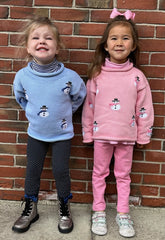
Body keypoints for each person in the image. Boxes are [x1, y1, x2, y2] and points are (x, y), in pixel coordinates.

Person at [82, 8, 154, 238]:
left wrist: (143, 135)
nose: (119, 43)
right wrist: (87, 134)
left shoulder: (137, 77)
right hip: (102, 135)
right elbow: (88, 107)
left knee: (124, 176)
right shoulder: (97, 75)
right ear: (105, 45)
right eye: (114, 38)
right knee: (99, 174)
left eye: (125, 38)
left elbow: (144, 108)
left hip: (127, 136)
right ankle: (99, 211)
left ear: (133, 46)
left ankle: (123, 213)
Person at [12, 16, 86, 234]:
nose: (41, 41)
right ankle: (30, 209)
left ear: (57, 47)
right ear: (28, 47)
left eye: (48, 38)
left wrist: (64, 113)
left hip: (62, 134)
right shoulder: (22, 76)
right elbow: (20, 98)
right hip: (36, 133)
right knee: (32, 171)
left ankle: (65, 208)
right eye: (35, 37)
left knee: (61, 171)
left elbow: (79, 97)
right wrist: (33, 114)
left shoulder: (70, 77)